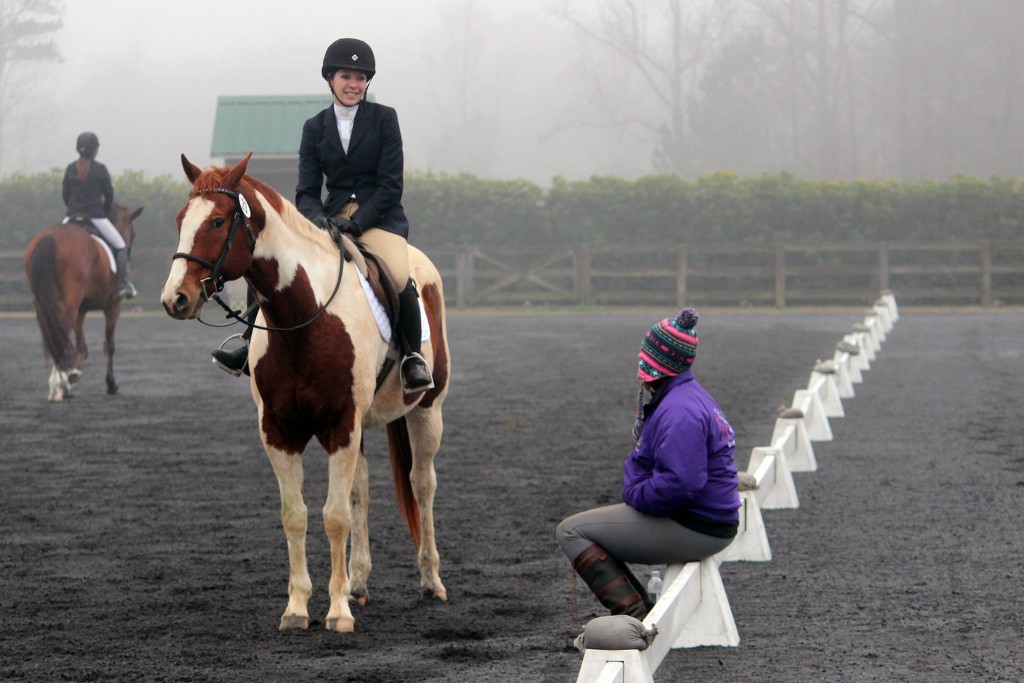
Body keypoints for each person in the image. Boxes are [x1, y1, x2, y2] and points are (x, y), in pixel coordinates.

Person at [212, 37, 433, 394]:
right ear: (330, 79)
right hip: (328, 219)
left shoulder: (384, 119)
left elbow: (391, 185)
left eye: (361, 78)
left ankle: (411, 358)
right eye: (346, 76)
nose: (353, 84)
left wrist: (358, 222)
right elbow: (306, 191)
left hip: (379, 219)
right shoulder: (314, 127)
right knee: (274, 264)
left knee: (398, 273)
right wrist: (316, 221)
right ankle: (247, 342)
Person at [555, 308, 740, 619]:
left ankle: (637, 616)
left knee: (572, 531)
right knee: (589, 525)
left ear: (654, 361)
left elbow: (682, 483)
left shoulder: (679, 410)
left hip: (698, 525)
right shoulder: (689, 396)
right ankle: (644, 611)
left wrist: (636, 496)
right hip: (709, 519)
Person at [62, 131, 136, 300]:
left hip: (71, 217)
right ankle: (122, 285)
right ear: (95, 150)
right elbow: (109, 197)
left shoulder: (70, 168)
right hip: (96, 217)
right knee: (120, 246)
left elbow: (66, 195)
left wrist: (74, 209)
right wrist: (104, 211)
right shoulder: (100, 170)